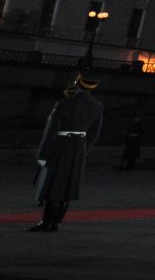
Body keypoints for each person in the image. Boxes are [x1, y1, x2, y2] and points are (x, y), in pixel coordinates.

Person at [29, 76, 104, 232]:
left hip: (61, 145)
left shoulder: (64, 103)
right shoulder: (97, 106)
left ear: (77, 84)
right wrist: (83, 149)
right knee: (69, 185)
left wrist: (43, 154)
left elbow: (51, 131)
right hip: (79, 148)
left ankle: (47, 222)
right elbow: (94, 134)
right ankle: (57, 221)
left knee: (53, 184)